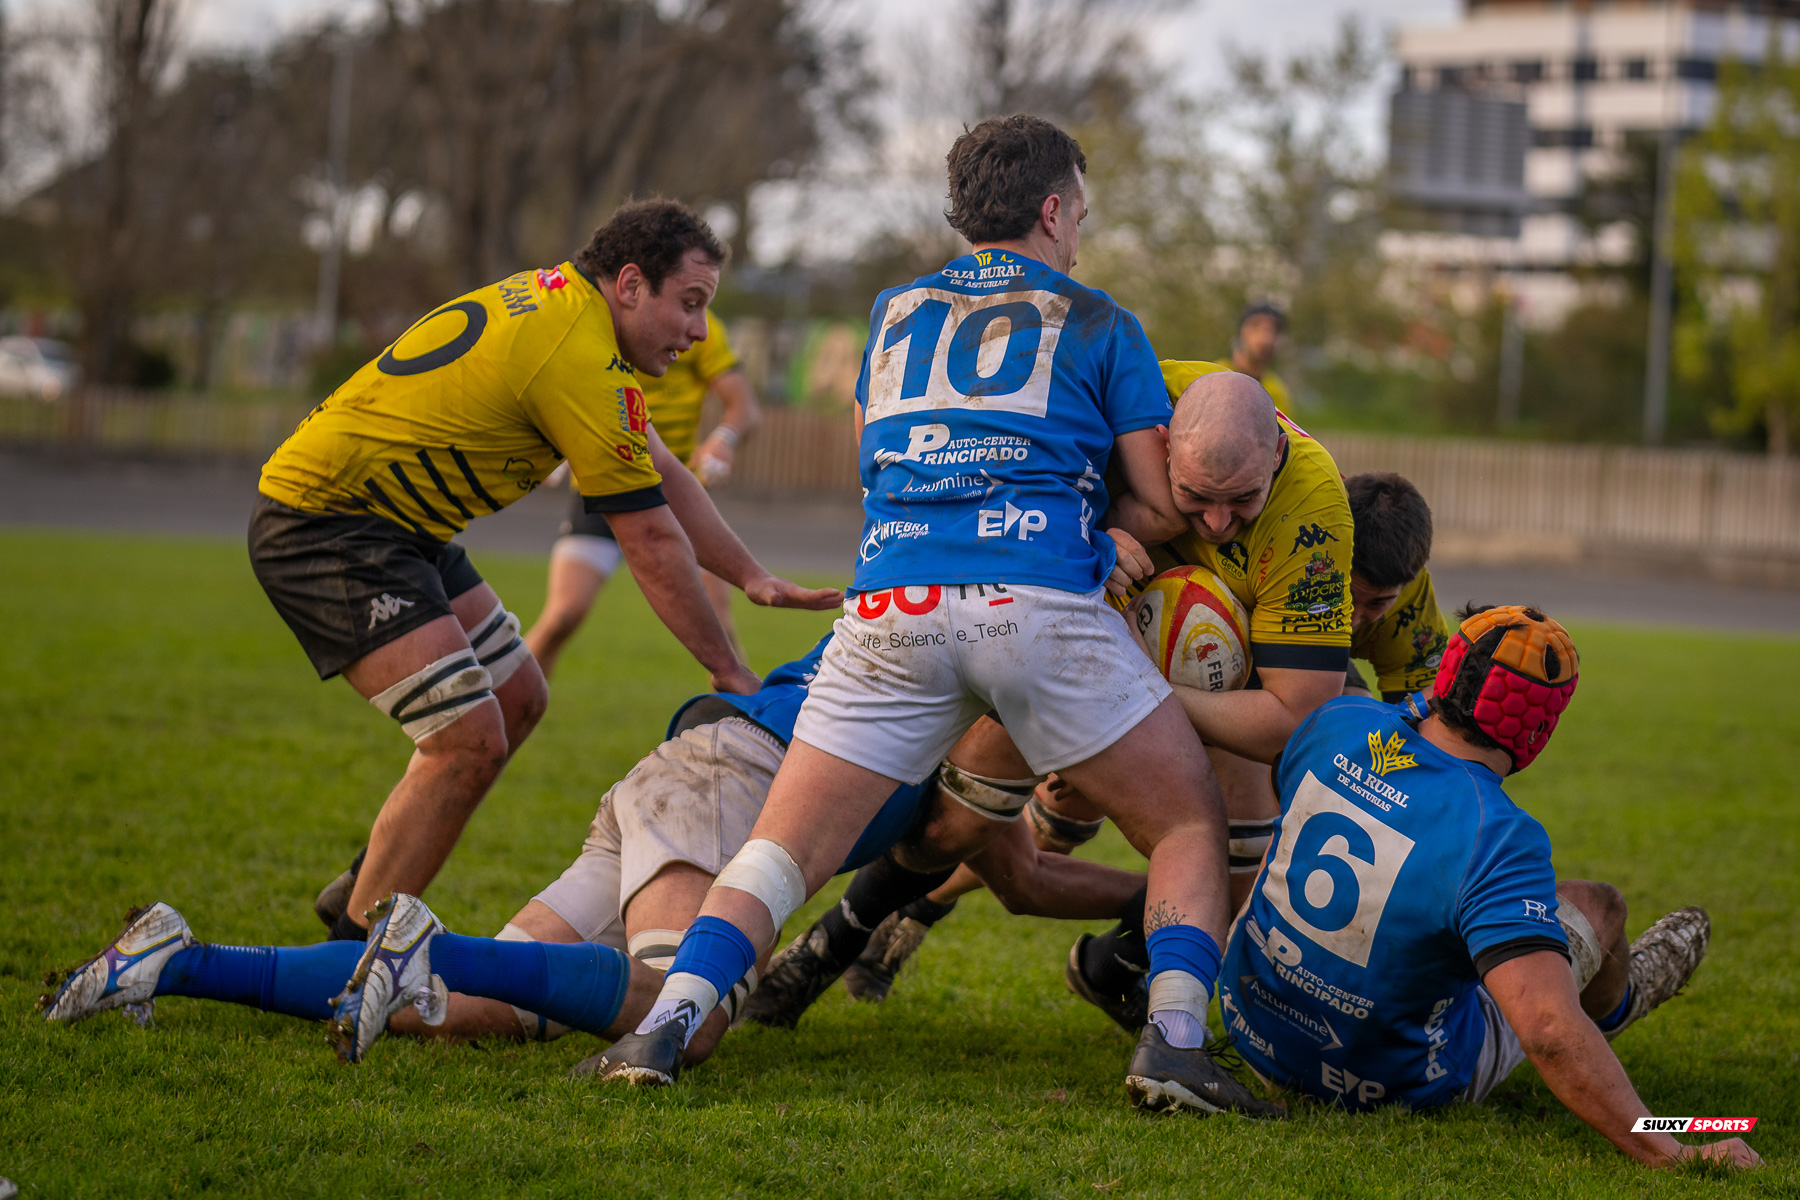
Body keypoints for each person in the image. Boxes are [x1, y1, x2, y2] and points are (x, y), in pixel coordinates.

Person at [593, 115, 1276, 1118]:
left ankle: (668, 1023)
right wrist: (1106, 524)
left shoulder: (891, 310)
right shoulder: (1099, 320)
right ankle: (1172, 1044)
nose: (1079, 231)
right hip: (1039, 604)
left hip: (891, 603)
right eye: (1078, 211)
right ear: (1051, 209)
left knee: (781, 852)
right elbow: (1166, 500)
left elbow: (880, 455)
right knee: (1185, 820)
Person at [39, 636, 1137, 1068]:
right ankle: (437, 944)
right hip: (726, 782)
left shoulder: (904, 615)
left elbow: (1013, 868)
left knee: (474, 1016)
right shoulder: (997, 688)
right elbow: (1014, 868)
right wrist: (1173, 890)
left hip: (687, 774)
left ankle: (177, 959)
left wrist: (1150, 897)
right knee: (684, 1015)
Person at [250, 199, 837, 943]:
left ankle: (366, 881)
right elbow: (652, 540)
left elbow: (664, 469)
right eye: (689, 305)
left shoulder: (567, 309)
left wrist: (750, 575)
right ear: (629, 284)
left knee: (519, 693)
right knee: (469, 740)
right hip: (329, 523)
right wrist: (731, 673)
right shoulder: (579, 353)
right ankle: (347, 954)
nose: (697, 330)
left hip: (400, 526)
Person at [1217, 604, 1761, 1169]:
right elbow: (1546, 1030)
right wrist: (1672, 1148)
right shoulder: (1498, 834)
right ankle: (1617, 1006)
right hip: (1385, 1085)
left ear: (1447, 673)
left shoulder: (1340, 720)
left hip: (1252, 1030)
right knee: (1599, 905)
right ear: (1539, 729)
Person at [527, 308, 763, 677]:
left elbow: (743, 406)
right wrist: (551, 443)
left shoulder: (700, 329)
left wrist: (724, 439)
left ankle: (745, 729)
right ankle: (503, 715)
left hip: (678, 496)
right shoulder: (594, 324)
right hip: (602, 491)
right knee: (561, 616)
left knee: (721, 634)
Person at [1341, 472, 1450, 702]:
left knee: (1358, 709)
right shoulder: (1294, 542)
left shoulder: (1414, 608)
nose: (1351, 620)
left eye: (1377, 602)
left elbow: (1416, 728)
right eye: (1346, 595)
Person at [1228, 303, 1292, 415]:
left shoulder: (1278, 393)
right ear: (1240, 332)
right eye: (1255, 326)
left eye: (1273, 330)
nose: (1266, 338)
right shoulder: (1211, 376)